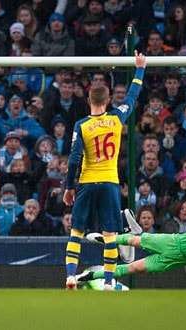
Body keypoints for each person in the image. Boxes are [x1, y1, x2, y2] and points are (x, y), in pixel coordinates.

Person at [63, 50, 146, 290]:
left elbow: (74, 159)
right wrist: (140, 68)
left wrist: (70, 186)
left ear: (89, 101)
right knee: (110, 235)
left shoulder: (82, 125)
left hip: (88, 183)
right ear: (108, 101)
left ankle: (70, 277)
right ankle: (109, 282)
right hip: (110, 182)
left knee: (76, 232)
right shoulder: (116, 118)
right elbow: (132, 97)